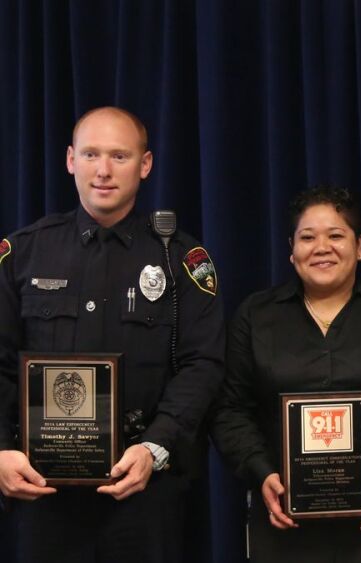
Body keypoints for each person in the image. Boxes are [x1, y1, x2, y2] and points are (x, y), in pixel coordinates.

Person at [0, 106, 225, 562]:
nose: (103, 170)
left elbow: (202, 364)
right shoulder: (22, 253)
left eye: (120, 156)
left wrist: (155, 447)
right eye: (91, 154)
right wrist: (1, 449)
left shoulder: (180, 259)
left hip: (143, 488)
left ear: (145, 165)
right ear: (69, 160)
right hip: (41, 487)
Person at [210, 186, 361, 563]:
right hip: (283, 516)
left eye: (336, 235)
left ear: (359, 246)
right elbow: (230, 409)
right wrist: (262, 474)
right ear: (291, 249)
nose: (321, 247)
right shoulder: (255, 317)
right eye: (308, 237)